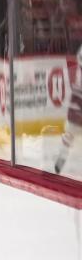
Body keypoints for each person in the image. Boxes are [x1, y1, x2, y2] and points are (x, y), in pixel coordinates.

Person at [54, 44, 81, 177]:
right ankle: (62, 156)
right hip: (79, 98)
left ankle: (62, 156)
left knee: (70, 131)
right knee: (70, 131)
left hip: (78, 97)